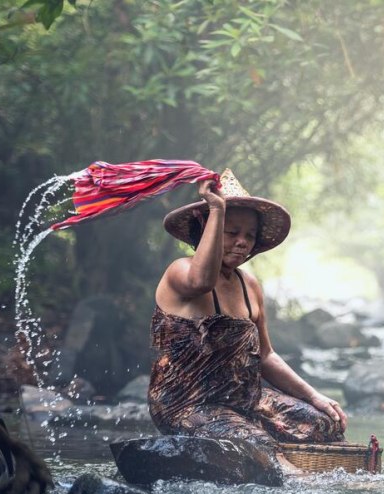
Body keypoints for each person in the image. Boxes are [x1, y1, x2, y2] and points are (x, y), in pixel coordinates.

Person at [147, 169, 348, 473]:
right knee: (258, 446)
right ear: (208, 230)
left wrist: (314, 396)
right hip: (188, 404)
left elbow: (266, 355)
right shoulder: (181, 271)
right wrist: (216, 208)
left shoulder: (249, 285)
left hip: (244, 399)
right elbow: (202, 281)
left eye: (249, 236)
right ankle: (295, 477)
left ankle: (291, 459)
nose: (242, 242)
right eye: (232, 232)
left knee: (324, 424)